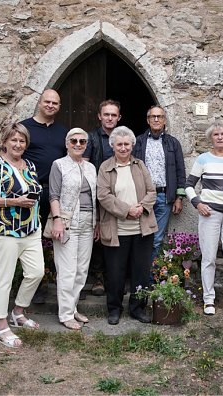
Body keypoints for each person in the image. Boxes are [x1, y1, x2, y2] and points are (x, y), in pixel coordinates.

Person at [0, 122, 44, 348]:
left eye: (22, 141)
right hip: (6, 229)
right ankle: (0, 325)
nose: (18, 144)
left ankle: (18, 311)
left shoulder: (30, 166)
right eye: (14, 140)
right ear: (5, 141)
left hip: (31, 229)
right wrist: (14, 201)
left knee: (36, 272)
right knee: (4, 278)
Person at [97, 126, 158, 325]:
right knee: (116, 273)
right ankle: (114, 309)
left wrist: (142, 206)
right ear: (112, 146)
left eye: (127, 144)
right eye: (119, 144)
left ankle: (137, 308)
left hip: (142, 229)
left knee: (140, 272)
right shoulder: (105, 168)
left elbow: (152, 191)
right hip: (117, 230)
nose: (123, 148)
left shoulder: (140, 165)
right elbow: (103, 196)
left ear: (132, 145)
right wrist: (127, 210)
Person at [185, 123, 223, 317]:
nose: (219, 137)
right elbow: (189, 185)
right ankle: (208, 299)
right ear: (211, 138)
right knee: (208, 258)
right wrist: (197, 203)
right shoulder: (203, 159)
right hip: (209, 214)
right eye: (216, 134)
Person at [20, 88, 68, 303]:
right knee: (32, 240)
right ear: (39, 102)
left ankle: (63, 286)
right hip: (32, 192)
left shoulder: (62, 132)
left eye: (55, 103)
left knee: (59, 237)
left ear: (59, 107)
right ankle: (36, 288)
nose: (50, 105)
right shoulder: (24, 128)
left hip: (56, 193)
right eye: (47, 101)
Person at [49, 128, 98, 330]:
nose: (78, 144)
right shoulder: (58, 165)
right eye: (74, 141)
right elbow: (54, 195)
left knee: (81, 270)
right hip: (67, 222)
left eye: (82, 141)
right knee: (67, 270)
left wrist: (97, 224)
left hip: (88, 222)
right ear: (67, 143)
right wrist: (57, 220)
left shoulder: (91, 167)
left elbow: (96, 198)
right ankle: (65, 314)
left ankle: (73, 307)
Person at [134, 105, 186, 260]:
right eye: (153, 117)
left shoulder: (173, 143)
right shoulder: (138, 142)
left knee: (157, 239)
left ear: (164, 120)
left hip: (164, 197)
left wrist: (179, 197)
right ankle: (140, 276)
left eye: (160, 117)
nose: (156, 119)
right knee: (141, 237)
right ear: (148, 120)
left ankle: (152, 279)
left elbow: (180, 171)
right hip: (142, 198)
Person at [83, 99, 122, 296]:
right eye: (106, 114)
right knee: (98, 236)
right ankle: (98, 277)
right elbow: (85, 167)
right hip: (98, 195)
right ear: (99, 117)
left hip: (120, 196)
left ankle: (116, 278)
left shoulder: (123, 139)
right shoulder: (91, 139)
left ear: (119, 118)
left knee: (118, 236)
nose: (109, 118)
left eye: (113, 115)